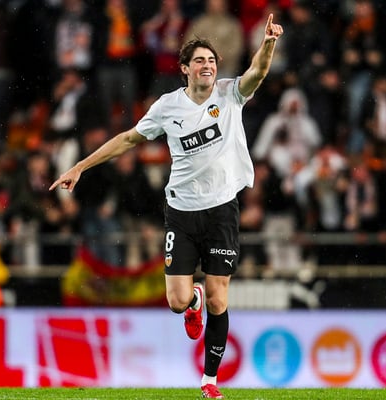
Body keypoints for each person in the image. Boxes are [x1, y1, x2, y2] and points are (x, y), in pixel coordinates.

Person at [50, 14, 283, 399]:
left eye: (212, 61)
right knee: (177, 302)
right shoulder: (167, 107)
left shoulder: (230, 94)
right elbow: (128, 139)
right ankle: (192, 301)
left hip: (222, 211)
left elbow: (257, 71)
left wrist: (269, 43)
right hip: (182, 212)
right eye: (200, 61)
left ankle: (209, 381)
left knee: (219, 297)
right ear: (184, 69)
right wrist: (80, 167)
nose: (208, 66)